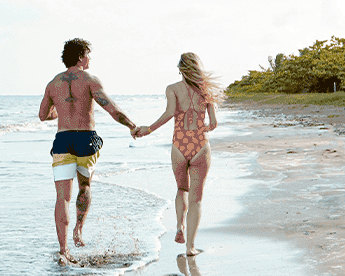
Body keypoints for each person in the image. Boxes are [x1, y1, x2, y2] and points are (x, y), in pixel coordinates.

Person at [38, 38, 140, 264]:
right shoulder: (91, 80)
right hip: (85, 139)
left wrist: (61, 113)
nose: (90, 59)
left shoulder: (53, 83)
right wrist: (132, 126)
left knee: (62, 197)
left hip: (63, 140)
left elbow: (43, 115)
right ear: (81, 55)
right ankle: (78, 230)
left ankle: (64, 251)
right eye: (89, 55)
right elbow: (112, 109)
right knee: (85, 186)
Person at [139, 52, 220, 256]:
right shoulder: (206, 90)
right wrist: (204, 128)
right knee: (197, 199)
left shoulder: (172, 89)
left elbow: (169, 114)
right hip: (200, 145)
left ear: (180, 69)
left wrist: (147, 129)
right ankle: (190, 247)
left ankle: (179, 226)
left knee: (182, 189)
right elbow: (214, 123)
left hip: (179, 145)